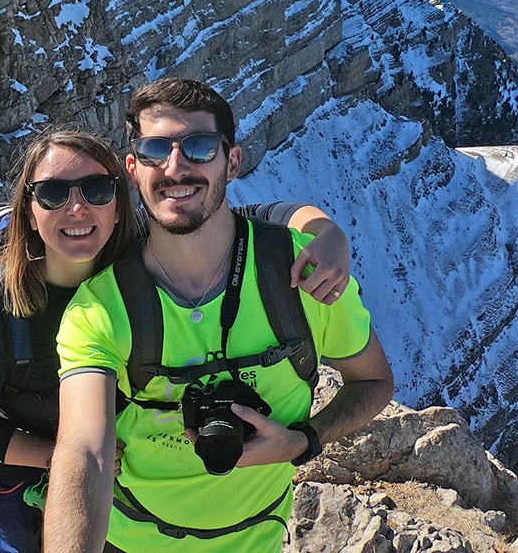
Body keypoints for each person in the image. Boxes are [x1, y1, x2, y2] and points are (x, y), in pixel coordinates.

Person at [0, 127, 356, 553]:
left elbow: (249, 218)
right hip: (17, 468)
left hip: (114, 469)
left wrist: (327, 235)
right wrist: (58, 460)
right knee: (23, 542)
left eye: (98, 189)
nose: (78, 207)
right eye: (52, 194)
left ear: (118, 206)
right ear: (28, 212)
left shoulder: (140, 256)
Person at [45, 79, 396, 552]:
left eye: (199, 146)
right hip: (130, 540)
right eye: (154, 150)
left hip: (256, 540)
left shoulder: (300, 275)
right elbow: (83, 452)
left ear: (232, 162)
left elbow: (373, 382)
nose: (175, 167)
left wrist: (304, 440)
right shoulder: (102, 307)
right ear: (133, 169)